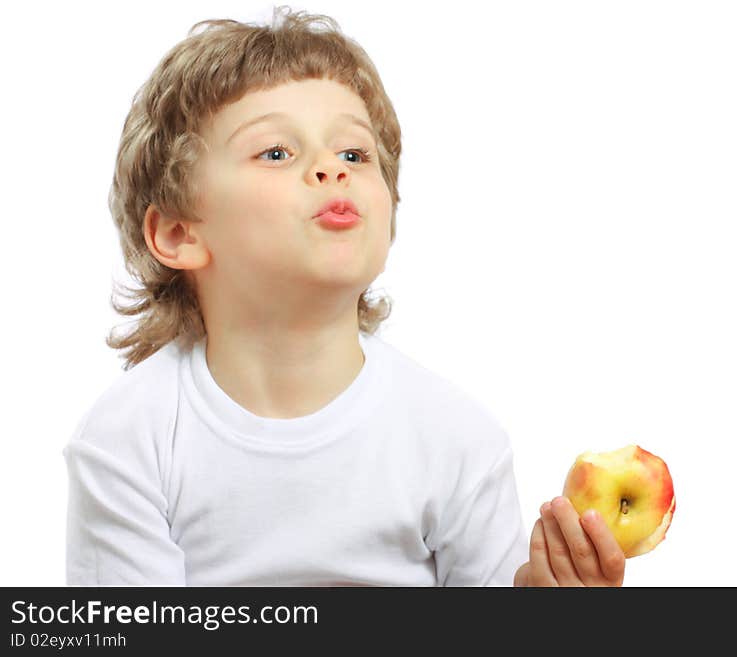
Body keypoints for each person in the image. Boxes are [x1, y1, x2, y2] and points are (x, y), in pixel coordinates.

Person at [62, 6, 625, 587]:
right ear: (179, 234)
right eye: (276, 152)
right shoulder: (128, 439)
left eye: (355, 154)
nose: (332, 169)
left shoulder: (456, 437)